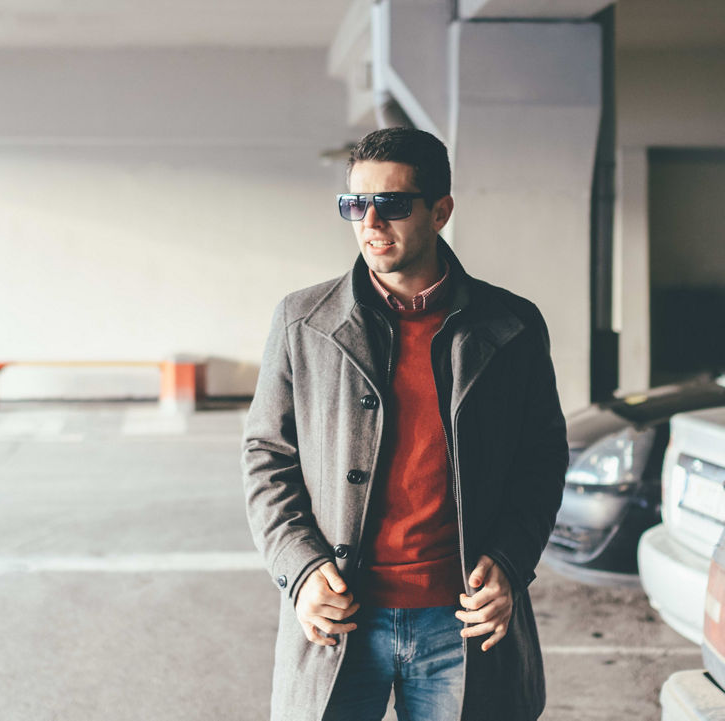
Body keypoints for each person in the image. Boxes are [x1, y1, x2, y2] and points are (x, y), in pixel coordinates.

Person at [240, 126, 568, 721]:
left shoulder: (512, 325)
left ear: (440, 211)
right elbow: (267, 457)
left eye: (391, 204)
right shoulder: (302, 322)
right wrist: (301, 569)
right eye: (354, 204)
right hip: (340, 619)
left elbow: (540, 459)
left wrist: (512, 560)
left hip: (462, 623)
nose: (370, 222)